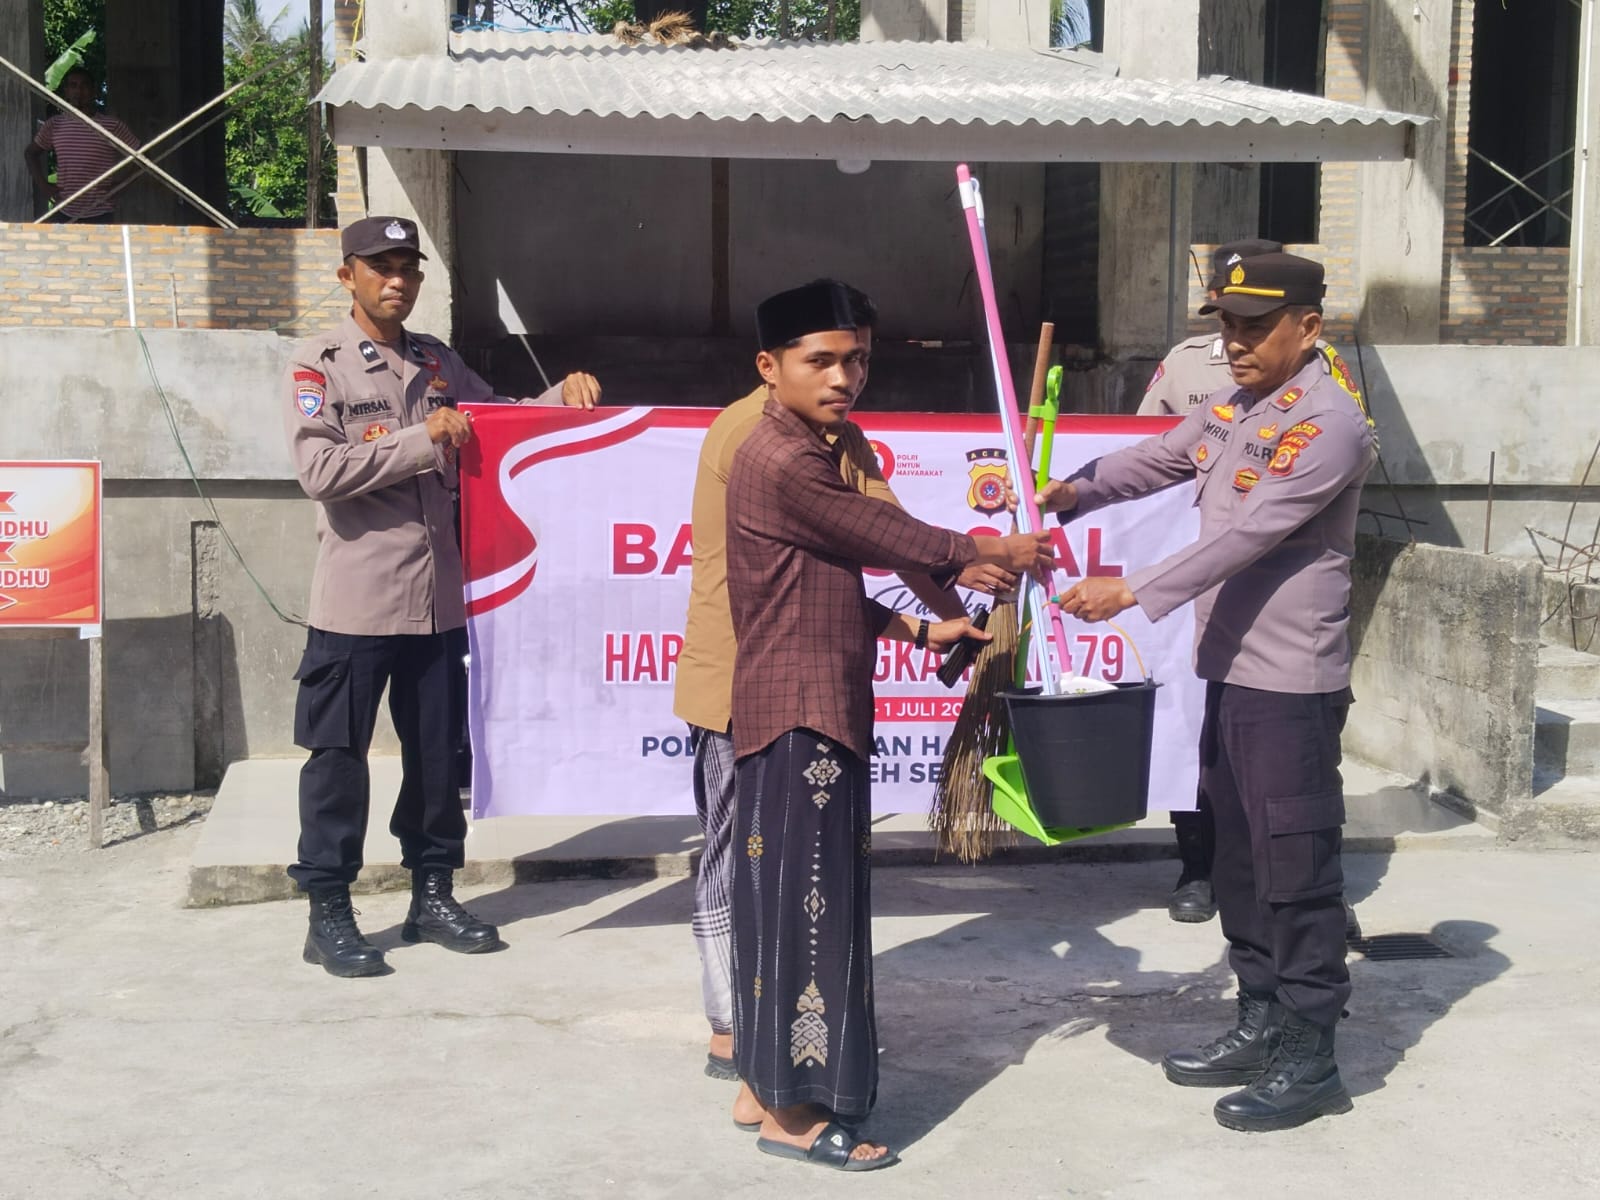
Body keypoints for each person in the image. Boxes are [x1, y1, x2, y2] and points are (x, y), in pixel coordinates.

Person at [1040, 253, 1375, 1132]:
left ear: (1308, 327)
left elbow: (1250, 537)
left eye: (1254, 327)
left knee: (1296, 869)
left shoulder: (1327, 424)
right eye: (1226, 324)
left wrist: (1134, 590)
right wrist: (1074, 491)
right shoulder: (1239, 405)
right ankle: (1259, 1018)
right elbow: (1162, 456)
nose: (1234, 342)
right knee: (1234, 860)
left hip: (1289, 685)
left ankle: (1311, 1056)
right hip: (1228, 671)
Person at [724, 281, 1055, 1170]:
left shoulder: (814, 448)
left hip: (795, 702)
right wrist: (991, 550)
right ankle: (796, 1117)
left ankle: (761, 1087)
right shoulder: (782, 460)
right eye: (820, 361)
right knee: (810, 909)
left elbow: (813, 584)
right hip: (803, 715)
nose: (844, 377)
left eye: (857, 359)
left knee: (777, 905)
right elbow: (883, 531)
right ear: (770, 367)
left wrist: (924, 625)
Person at [281, 215, 601, 978]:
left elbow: (496, 424)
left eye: (408, 268)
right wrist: (424, 439)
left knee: (435, 758)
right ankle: (330, 911)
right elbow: (319, 472)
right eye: (380, 266)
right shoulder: (319, 364)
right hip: (356, 604)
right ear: (347, 275)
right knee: (337, 762)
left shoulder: (436, 361)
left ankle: (432, 896)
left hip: (438, 602)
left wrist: (563, 395)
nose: (397, 280)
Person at [23, 66, 141, 224]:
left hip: (101, 211)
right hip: (64, 209)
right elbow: (30, 153)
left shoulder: (111, 126)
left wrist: (122, 185)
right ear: (66, 91)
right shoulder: (55, 124)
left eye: (84, 85)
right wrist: (43, 185)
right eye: (73, 86)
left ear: (94, 91)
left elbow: (143, 157)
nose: (79, 91)